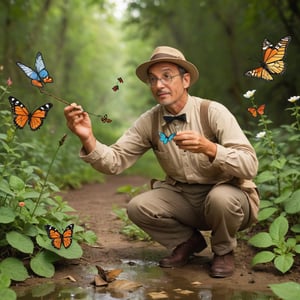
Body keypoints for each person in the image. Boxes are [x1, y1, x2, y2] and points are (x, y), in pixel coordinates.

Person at [64, 46, 260, 278]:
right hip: (184, 198)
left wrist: (210, 148)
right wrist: (87, 137)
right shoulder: (149, 121)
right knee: (138, 207)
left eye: (167, 76)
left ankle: (223, 251)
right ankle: (188, 242)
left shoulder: (213, 112)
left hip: (229, 198)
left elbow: (250, 165)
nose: (159, 85)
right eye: (153, 79)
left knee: (220, 198)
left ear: (186, 79)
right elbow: (114, 161)